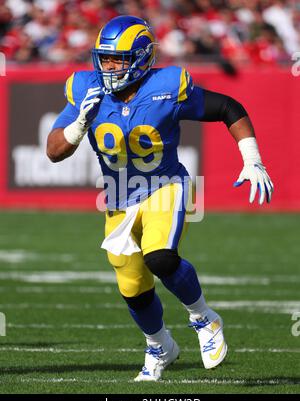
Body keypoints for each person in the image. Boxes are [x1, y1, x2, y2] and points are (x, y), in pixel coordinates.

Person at [47, 15, 274, 381]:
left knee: (160, 257)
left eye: (118, 59)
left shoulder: (167, 86)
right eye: (105, 58)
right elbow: (54, 151)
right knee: (132, 286)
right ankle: (160, 346)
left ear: (140, 57)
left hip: (165, 185)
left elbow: (228, 108)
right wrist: (77, 125)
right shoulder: (85, 88)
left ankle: (203, 318)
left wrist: (252, 160)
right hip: (119, 197)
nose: (109, 67)